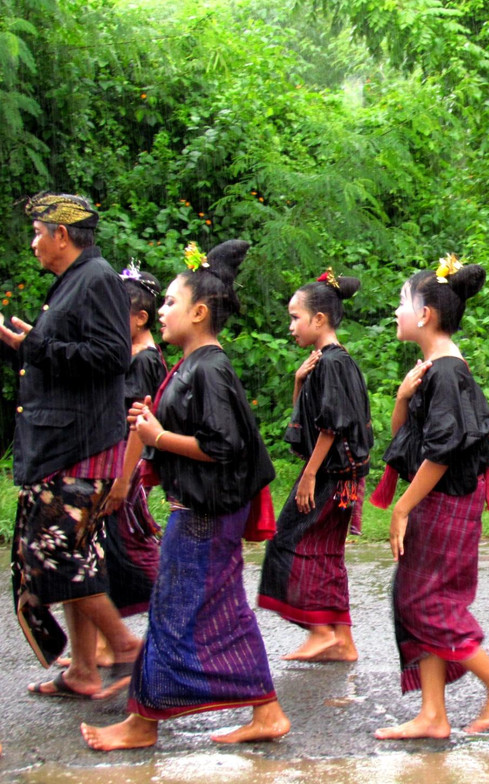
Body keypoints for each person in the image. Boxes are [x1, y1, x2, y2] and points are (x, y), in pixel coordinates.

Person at [80, 240, 290, 751]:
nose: (163, 311)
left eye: (171, 302)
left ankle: (143, 722)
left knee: (175, 611)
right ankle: (265, 711)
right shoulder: (195, 364)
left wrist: (156, 438)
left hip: (203, 514)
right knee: (216, 610)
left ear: (199, 313)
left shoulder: (209, 369)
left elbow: (223, 445)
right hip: (202, 511)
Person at [369, 255, 489, 739]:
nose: (395, 312)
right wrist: (400, 398)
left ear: (426, 315)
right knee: (416, 597)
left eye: (402, 302)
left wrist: (403, 506)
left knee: (426, 601)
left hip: (445, 500)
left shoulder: (447, 373)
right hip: (435, 498)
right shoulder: (429, 370)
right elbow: (407, 443)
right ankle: (433, 715)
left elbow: (441, 451)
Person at [1, 192, 141, 699]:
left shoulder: (98, 279)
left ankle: (123, 645)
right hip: (61, 440)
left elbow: (109, 357)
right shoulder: (72, 282)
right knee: (76, 557)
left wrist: (32, 345)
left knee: (54, 558)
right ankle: (84, 670)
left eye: (39, 232)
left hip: (78, 446)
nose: (34, 243)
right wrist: (26, 347)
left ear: (62, 235)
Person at [258, 268, 373, 661]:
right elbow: (314, 415)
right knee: (324, 551)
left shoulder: (332, 363)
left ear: (319, 319)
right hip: (340, 475)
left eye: (295, 317)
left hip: (330, 476)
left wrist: (308, 477)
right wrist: (297, 382)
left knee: (288, 541)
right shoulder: (326, 362)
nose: (290, 325)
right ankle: (341, 640)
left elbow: (332, 425)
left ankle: (322, 630)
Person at [84, 264, 167, 672]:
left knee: (129, 546)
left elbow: (139, 422)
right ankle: (105, 642)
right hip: (117, 462)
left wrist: (122, 479)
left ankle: (171, 615)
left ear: (140, 319)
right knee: (108, 549)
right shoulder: (131, 357)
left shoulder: (144, 361)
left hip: (128, 468)